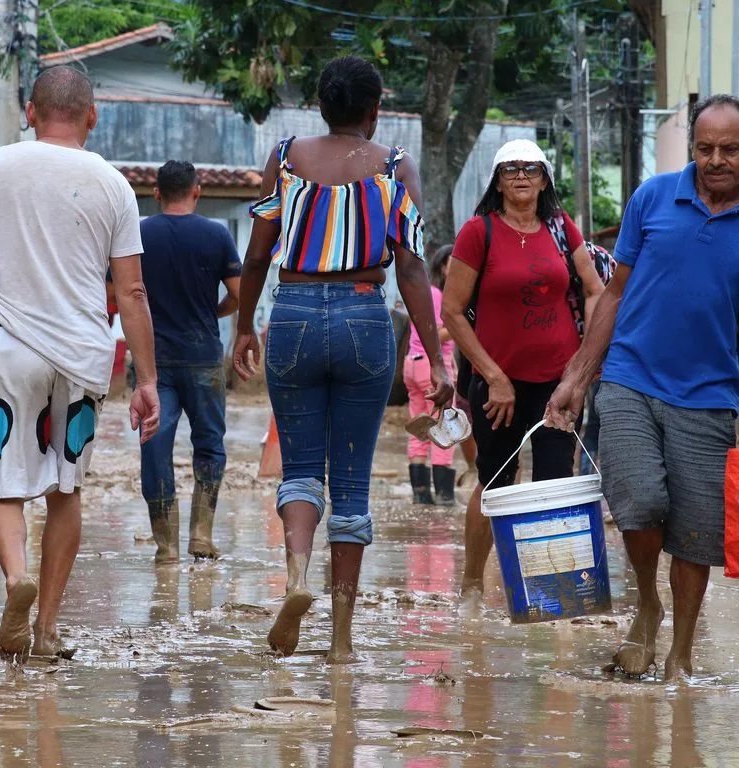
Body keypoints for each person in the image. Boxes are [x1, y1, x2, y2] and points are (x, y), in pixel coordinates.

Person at [546, 94, 739, 681]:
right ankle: (647, 602)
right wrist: (577, 376)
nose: (716, 160)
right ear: (691, 148)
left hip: (707, 396)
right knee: (641, 502)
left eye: (729, 149)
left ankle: (680, 654)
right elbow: (615, 295)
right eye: (704, 149)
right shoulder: (653, 197)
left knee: (697, 534)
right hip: (628, 377)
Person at [0, 65, 160, 660]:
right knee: (65, 490)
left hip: (11, 351)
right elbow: (131, 293)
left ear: (29, 113)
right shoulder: (114, 185)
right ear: (93, 117)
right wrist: (147, 379)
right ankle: (48, 628)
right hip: (82, 358)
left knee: (3, 485)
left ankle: (15, 579)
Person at [232, 56, 453, 663]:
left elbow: (256, 256)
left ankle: (299, 577)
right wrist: (435, 359)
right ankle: (340, 638)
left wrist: (245, 327)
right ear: (375, 109)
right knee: (351, 483)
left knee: (300, 468)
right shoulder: (394, 166)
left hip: (294, 314)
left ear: (321, 105)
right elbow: (410, 267)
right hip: (363, 314)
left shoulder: (283, 157)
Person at [442, 139, 605, 602]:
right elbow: (452, 312)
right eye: (510, 169)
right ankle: (473, 585)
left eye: (531, 169)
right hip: (497, 388)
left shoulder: (560, 228)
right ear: (497, 180)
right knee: (495, 483)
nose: (520, 176)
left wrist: (582, 366)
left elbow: (595, 291)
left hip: (560, 385)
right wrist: (493, 376)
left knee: (555, 483)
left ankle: (551, 595)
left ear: (544, 179)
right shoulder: (478, 232)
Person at [138, 161, 242, 563]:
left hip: (154, 363)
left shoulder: (141, 234)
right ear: (197, 191)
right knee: (210, 445)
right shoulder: (216, 235)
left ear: (157, 193)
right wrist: (213, 312)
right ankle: (201, 534)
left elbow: (121, 290)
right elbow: (239, 295)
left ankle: (166, 547)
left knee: (154, 447)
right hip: (203, 358)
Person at [405, 245, 458, 505]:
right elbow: (438, 333)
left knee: (421, 427)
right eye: (454, 263)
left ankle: (421, 493)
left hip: (413, 364)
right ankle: (445, 496)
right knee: (444, 428)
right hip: (432, 367)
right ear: (442, 267)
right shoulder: (440, 295)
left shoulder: (427, 294)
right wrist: (460, 324)